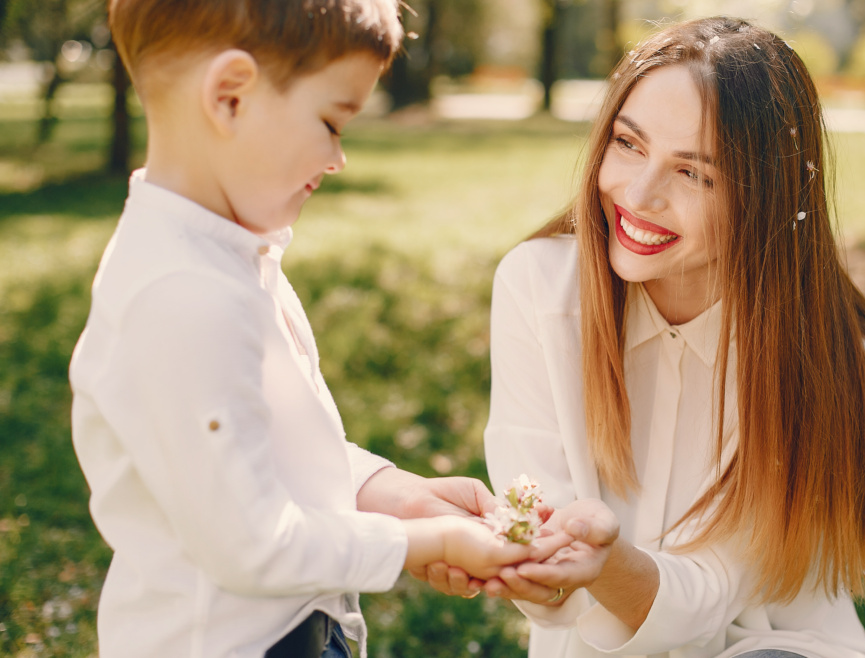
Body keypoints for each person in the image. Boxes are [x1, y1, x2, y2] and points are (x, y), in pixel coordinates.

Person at [68, 1, 560, 656]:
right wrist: (427, 542)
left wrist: (391, 495)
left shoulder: (226, 255)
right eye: (332, 122)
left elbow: (262, 442)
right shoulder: (183, 296)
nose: (338, 159)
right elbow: (251, 543)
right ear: (231, 96)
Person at [419, 16, 865, 658]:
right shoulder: (539, 290)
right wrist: (527, 564)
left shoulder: (834, 364)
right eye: (628, 144)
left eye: (696, 175)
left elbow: (708, 604)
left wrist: (602, 560)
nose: (640, 195)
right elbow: (545, 581)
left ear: (767, 197)